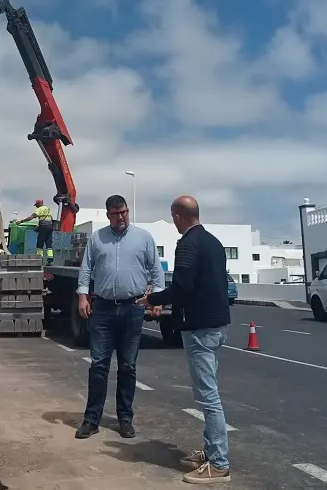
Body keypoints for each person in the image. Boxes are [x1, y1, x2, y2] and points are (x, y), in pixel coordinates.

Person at [137, 196, 231, 484]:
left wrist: (151, 299)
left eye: (173, 217)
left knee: (207, 396)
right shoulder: (213, 241)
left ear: (178, 216)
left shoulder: (188, 244)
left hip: (201, 328)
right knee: (208, 392)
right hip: (216, 324)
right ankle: (210, 451)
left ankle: (219, 463)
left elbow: (182, 286)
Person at [74, 195, 165, 440]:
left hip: (132, 308)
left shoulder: (143, 238)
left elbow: (157, 271)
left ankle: (125, 419)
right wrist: (83, 296)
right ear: (108, 215)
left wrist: (157, 298)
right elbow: (86, 270)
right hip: (102, 310)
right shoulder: (97, 238)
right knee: (99, 366)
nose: (121, 216)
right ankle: (91, 419)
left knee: (127, 366)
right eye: (116, 213)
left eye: (124, 212)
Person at [15, 199, 54, 265]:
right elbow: (49, 219)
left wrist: (21, 221)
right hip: (50, 227)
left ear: (39, 204)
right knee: (49, 244)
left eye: (36, 205)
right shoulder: (47, 209)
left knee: (40, 244)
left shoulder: (39, 209)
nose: (36, 206)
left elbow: (31, 217)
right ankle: (50, 260)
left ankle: (39, 260)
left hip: (43, 227)